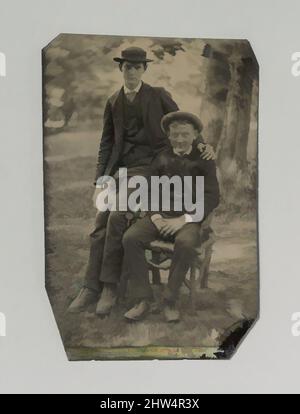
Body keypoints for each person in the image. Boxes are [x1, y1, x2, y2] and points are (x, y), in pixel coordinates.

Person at [68, 47, 215, 314]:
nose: (132, 71)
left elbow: (184, 125)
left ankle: (109, 286)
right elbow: (107, 143)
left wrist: (203, 146)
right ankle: (90, 287)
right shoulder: (113, 101)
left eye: (138, 67)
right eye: (127, 66)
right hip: (121, 171)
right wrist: (102, 178)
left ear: (144, 70)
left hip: (151, 168)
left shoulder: (158, 95)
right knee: (101, 219)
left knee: (116, 216)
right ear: (120, 68)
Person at [121, 111, 220, 322]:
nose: (180, 139)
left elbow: (212, 197)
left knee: (185, 243)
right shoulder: (161, 157)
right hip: (160, 216)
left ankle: (170, 299)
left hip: (189, 220)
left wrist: (183, 220)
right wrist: (156, 218)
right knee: (131, 238)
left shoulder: (204, 159)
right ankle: (143, 299)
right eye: (175, 135)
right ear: (169, 136)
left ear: (195, 135)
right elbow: (148, 191)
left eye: (185, 134)